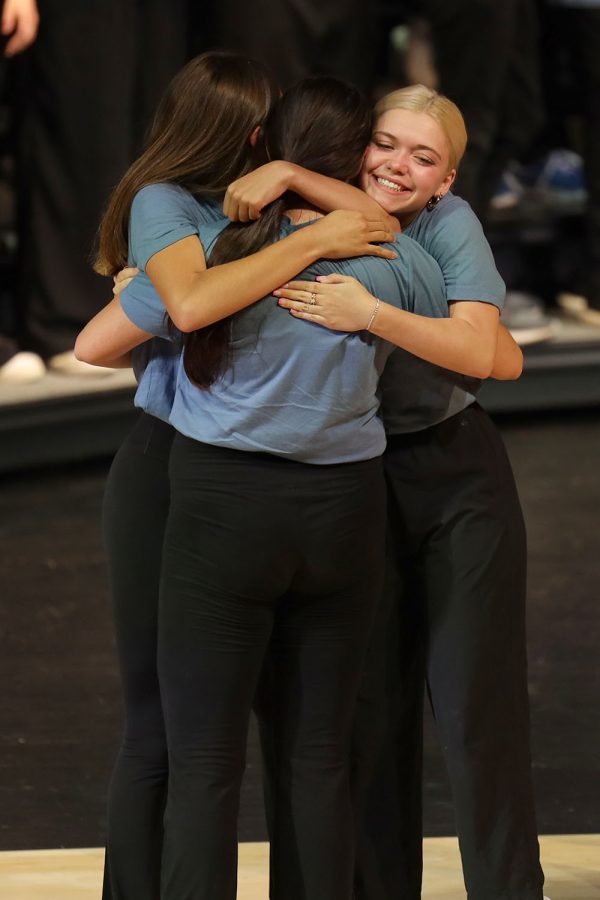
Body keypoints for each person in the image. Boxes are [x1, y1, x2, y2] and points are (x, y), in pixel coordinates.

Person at [81, 75, 461, 899]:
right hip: (345, 509)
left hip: (223, 507)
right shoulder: (391, 255)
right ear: (353, 158)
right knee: (319, 758)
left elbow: (96, 344)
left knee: (203, 761)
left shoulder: (215, 247)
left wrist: (139, 293)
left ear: (261, 148)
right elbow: (460, 333)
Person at [241, 85, 545, 900]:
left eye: (424, 158)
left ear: (446, 180)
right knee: (366, 714)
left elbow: (490, 353)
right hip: (352, 477)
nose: (398, 167)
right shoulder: (300, 205)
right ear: (355, 145)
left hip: (453, 474)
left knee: (477, 713)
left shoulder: (450, 226)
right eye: (386, 144)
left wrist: (369, 312)